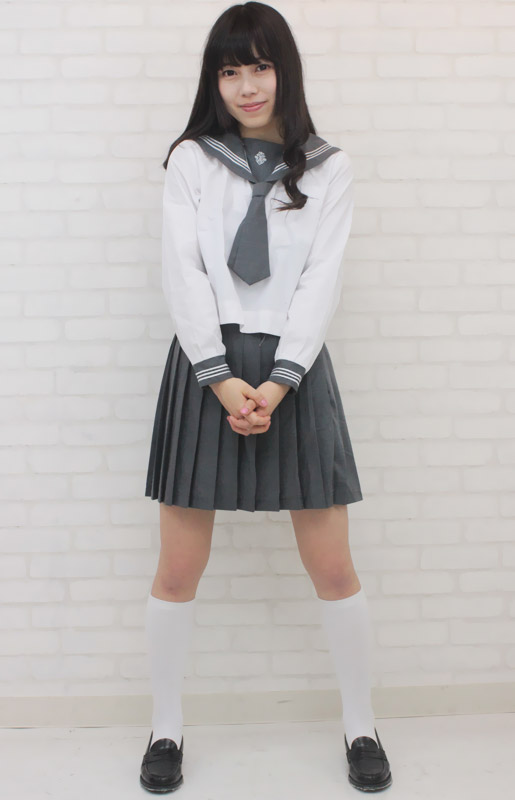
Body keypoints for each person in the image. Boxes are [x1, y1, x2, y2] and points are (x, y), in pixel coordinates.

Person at [140, 2, 392, 794]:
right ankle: (164, 730)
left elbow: (322, 279)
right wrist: (218, 376)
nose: (246, 86)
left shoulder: (327, 166)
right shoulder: (191, 161)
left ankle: (361, 725)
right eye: (229, 70)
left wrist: (280, 381)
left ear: (285, 71)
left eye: (259, 66)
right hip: (206, 365)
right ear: (213, 80)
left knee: (333, 566)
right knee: (177, 569)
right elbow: (183, 272)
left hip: (294, 367)